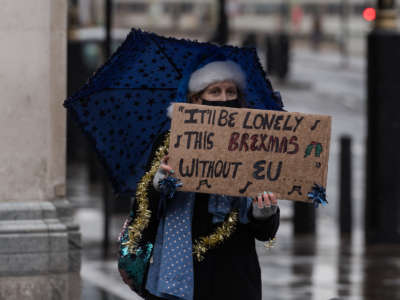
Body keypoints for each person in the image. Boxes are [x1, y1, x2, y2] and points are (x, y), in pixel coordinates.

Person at [120, 59, 280, 300]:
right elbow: (144, 210)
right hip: (180, 278)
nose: (225, 98)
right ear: (195, 99)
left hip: (235, 277)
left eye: (231, 91)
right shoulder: (169, 142)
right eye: (214, 91)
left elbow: (265, 233)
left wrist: (264, 214)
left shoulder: (253, 146)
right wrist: (158, 183)